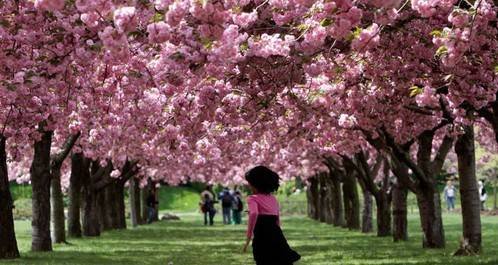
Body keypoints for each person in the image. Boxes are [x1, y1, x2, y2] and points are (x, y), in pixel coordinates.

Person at [242, 166, 301, 265]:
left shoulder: (252, 198)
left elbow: (254, 213)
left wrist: (248, 237)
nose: (249, 186)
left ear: (255, 184)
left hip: (262, 237)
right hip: (277, 236)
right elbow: (276, 218)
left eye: (250, 183)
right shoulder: (273, 199)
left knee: (263, 260)